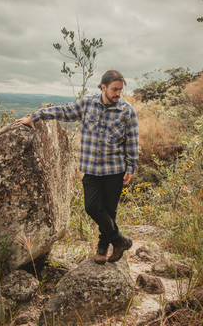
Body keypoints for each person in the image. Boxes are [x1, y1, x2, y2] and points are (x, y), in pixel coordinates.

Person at [16, 70, 139, 264]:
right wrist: (36, 116)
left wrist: (131, 167)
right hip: (90, 168)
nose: (118, 94)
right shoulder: (87, 103)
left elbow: (132, 140)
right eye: (115, 89)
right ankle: (120, 240)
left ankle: (102, 248)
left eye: (121, 90)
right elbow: (62, 111)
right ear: (104, 87)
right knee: (92, 207)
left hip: (115, 169)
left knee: (109, 211)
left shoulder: (127, 110)